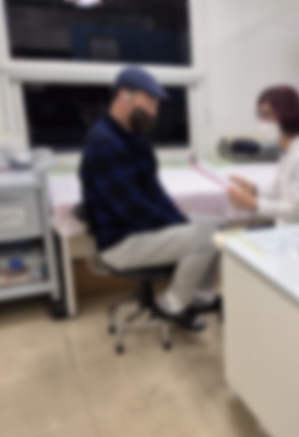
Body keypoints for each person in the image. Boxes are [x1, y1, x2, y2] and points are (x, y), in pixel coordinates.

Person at [79, 66, 219, 331]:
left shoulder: (135, 138)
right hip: (121, 242)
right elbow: (132, 210)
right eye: (150, 102)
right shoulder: (103, 143)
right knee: (205, 235)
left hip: (140, 231)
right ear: (124, 95)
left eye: (157, 105)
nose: (155, 111)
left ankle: (199, 298)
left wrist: (179, 220)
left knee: (214, 224)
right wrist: (177, 225)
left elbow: (155, 192)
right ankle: (172, 305)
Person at [227, 86, 299, 222]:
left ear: (287, 114)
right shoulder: (287, 151)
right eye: (261, 115)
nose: (263, 123)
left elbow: (298, 210)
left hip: (297, 229)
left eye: (267, 115)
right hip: (282, 225)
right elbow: (278, 191)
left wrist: (253, 204)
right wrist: (253, 189)